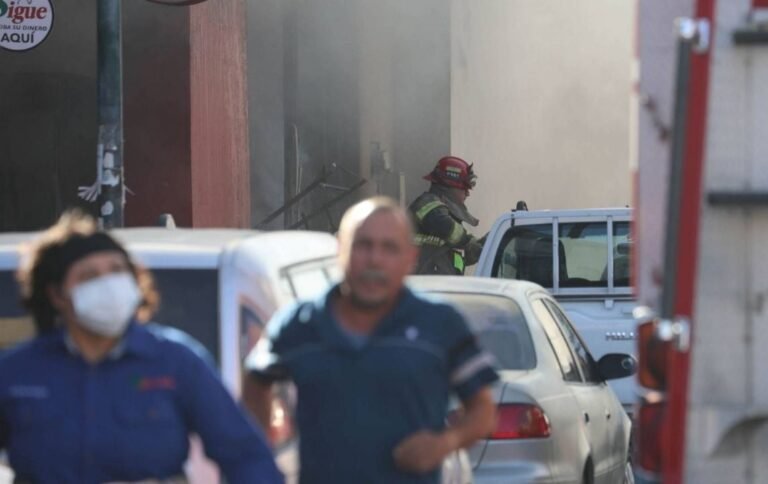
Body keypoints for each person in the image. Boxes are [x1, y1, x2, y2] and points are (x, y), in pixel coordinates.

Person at [0, 211, 283, 483]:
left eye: (117, 271)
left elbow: (245, 454)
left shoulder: (176, 361)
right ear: (57, 294)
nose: (108, 284)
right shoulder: (17, 372)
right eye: (89, 276)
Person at [243, 196, 498, 483]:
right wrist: (261, 462)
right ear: (340, 249)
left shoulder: (440, 324)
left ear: (410, 257)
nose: (375, 259)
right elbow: (254, 384)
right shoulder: (299, 324)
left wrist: (444, 443)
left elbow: (483, 411)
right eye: (363, 245)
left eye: (389, 248)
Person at [408, 156, 484, 275]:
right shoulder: (427, 204)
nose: (468, 194)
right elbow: (442, 224)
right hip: (422, 286)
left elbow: (467, 254)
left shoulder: (450, 219)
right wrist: (470, 242)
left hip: (445, 288)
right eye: (464, 188)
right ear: (450, 187)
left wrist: (487, 243)